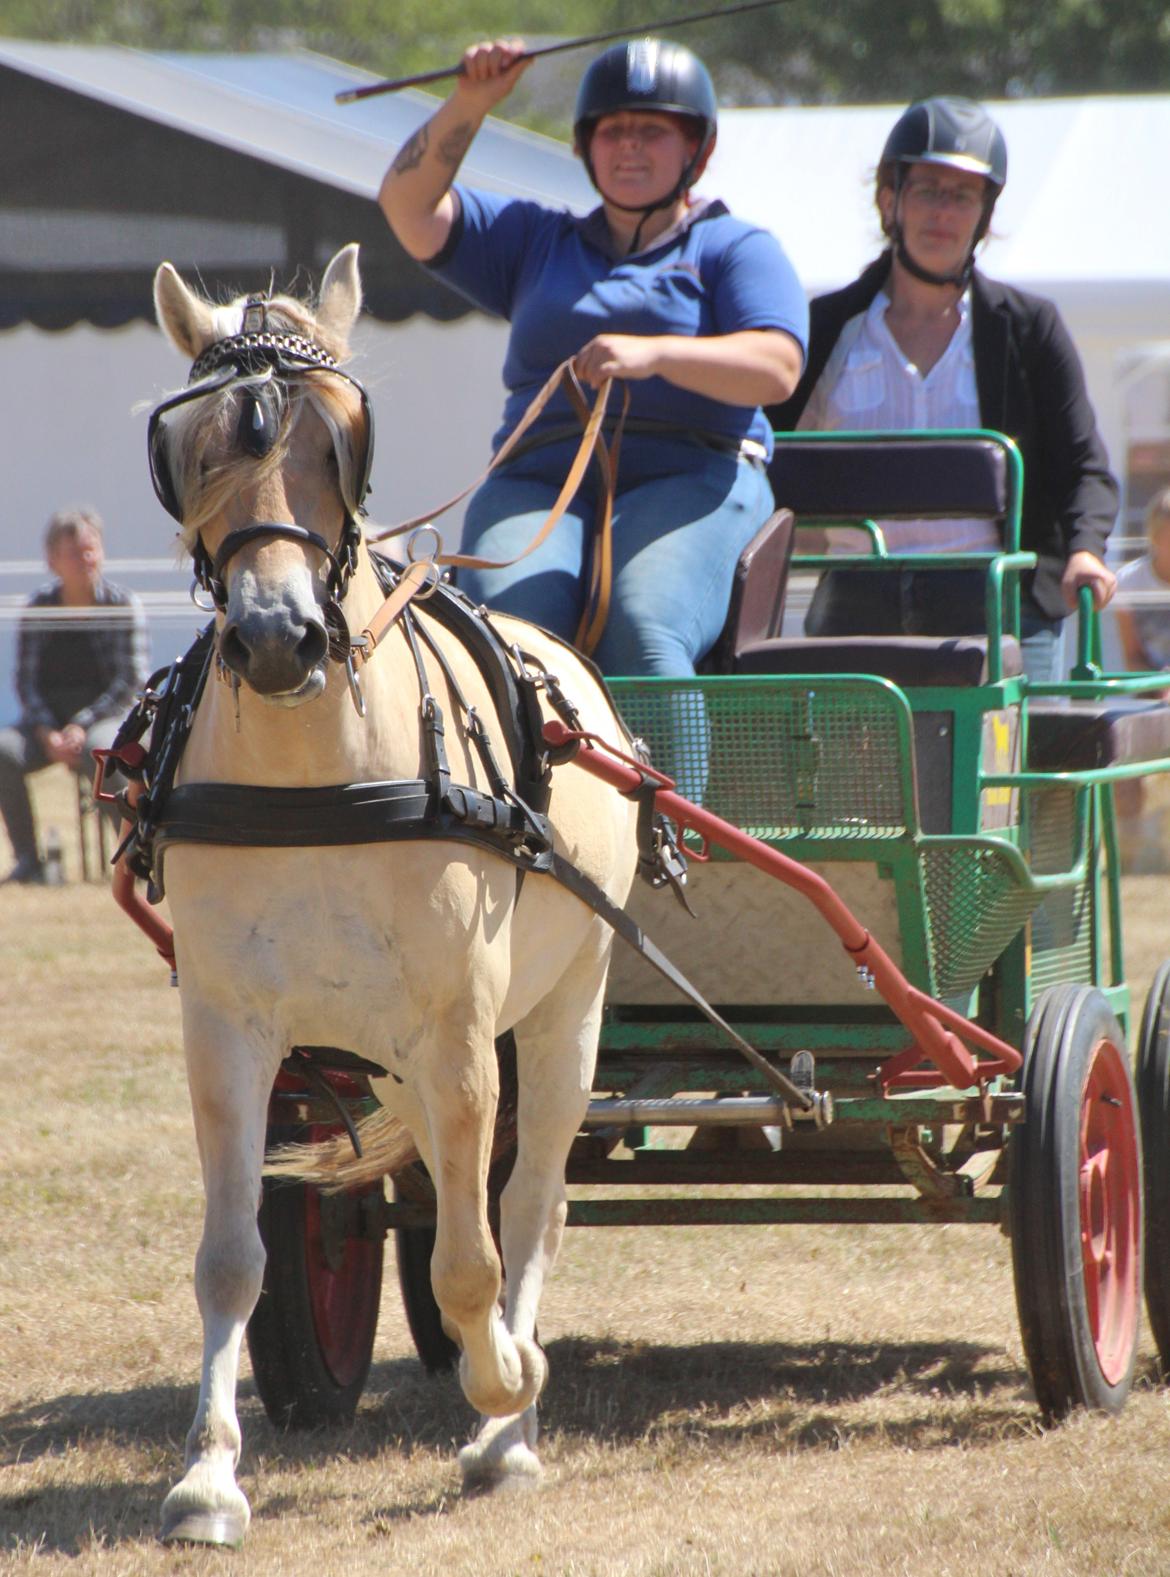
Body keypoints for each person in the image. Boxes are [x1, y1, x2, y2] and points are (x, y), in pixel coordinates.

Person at [378, 36, 807, 676]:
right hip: (538, 479)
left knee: (642, 628)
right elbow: (407, 207)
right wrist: (472, 100)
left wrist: (656, 354)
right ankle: (513, 781)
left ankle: (672, 782)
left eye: (652, 130)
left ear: (699, 148)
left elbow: (777, 368)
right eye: (612, 131)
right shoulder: (535, 241)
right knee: (505, 637)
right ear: (584, 146)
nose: (629, 144)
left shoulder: (734, 248)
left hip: (697, 473)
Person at [768, 96, 1119, 682]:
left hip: (995, 596)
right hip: (859, 596)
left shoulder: (1030, 328)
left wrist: (1086, 550)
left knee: (1005, 772)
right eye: (928, 189)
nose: (943, 212)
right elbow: (757, 452)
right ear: (890, 199)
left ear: (984, 215)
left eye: (963, 196)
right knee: (857, 775)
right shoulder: (825, 328)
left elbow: (1087, 466)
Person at [0, 508, 148, 883]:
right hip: (48, 723)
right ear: (52, 561)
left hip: (107, 718)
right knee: (4, 751)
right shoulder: (37, 609)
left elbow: (130, 683)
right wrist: (47, 732)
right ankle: (30, 864)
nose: (86, 559)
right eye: (74, 552)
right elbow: (25, 682)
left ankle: (133, 860)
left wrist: (80, 726)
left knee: (102, 752)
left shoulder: (122, 605)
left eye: (91, 549)